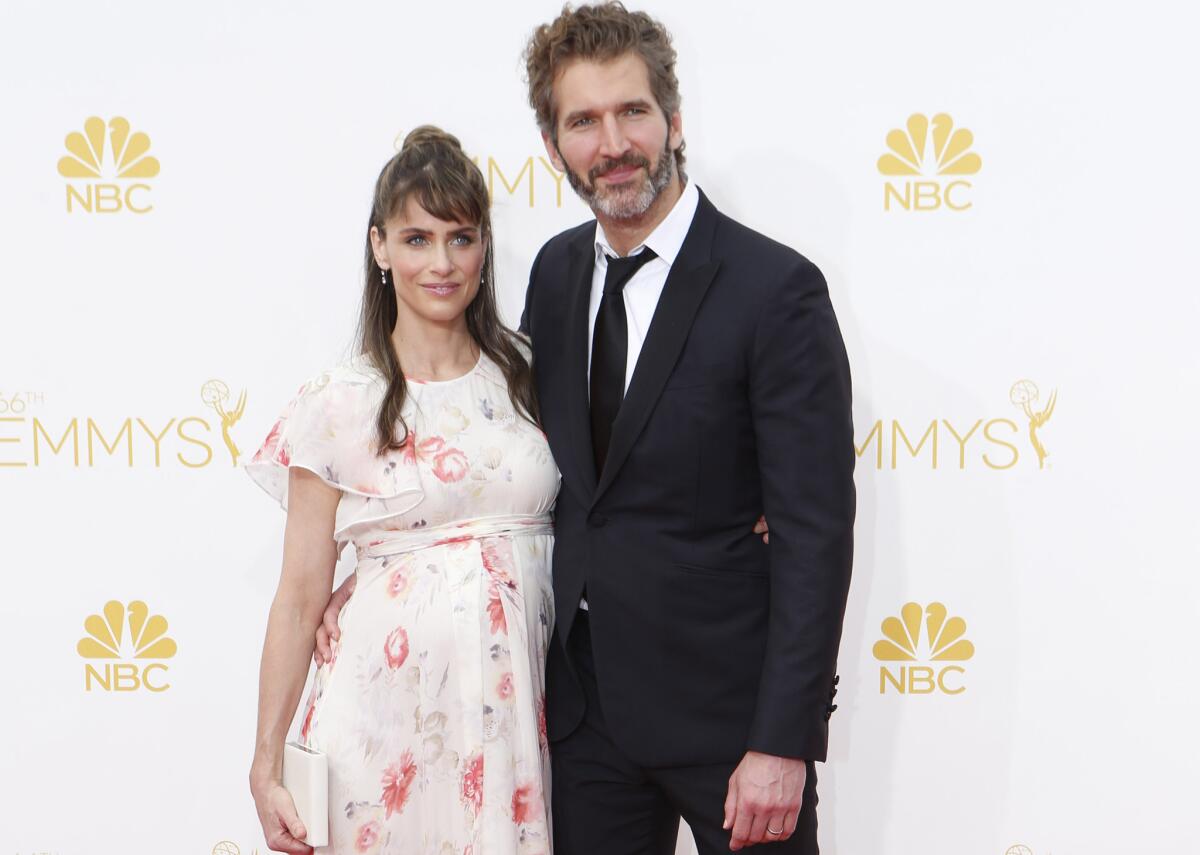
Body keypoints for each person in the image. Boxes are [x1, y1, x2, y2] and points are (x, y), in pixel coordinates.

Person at [319, 4, 854, 853]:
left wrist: (782, 739)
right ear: (553, 143)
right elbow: (515, 461)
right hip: (578, 721)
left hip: (731, 723)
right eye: (583, 121)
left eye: (631, 112)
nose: (612, 143)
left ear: (674, 121)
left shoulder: (774, 290)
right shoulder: (558, 272)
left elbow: (815, 534)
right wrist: (380, 576)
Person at [246, 126, 559, 855]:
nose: (442, 263)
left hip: (517, 719)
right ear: (380, 247)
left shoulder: (533, 376)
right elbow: (297, 598)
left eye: (461, 237)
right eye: (417, 239)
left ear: (485, 245)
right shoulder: (339, 400)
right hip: (378, 723)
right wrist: (265, 765)